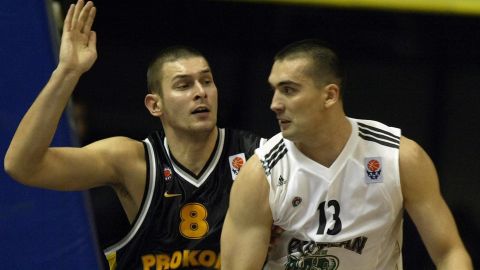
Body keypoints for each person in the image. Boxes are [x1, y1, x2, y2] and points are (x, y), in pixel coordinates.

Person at [4, 1, 265, 269]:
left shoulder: (257, 155)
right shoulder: (132, 161)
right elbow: (22, 165)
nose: (200, 91)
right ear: (155, 105)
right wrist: (67, 72)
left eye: (207, 81)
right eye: (184, 85)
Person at [221, 39, 473, 269]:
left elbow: (450, 253)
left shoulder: (399, 157)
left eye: (288, 90)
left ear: (330, 95)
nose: (274, 103)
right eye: (274, 90)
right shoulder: (260, 173)